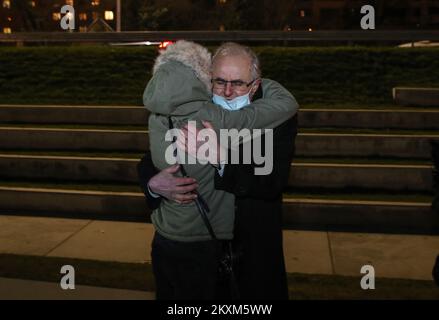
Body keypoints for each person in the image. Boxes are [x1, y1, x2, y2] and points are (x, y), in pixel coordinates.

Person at [142, 40, 298, 300]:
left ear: (256, 85)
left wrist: (223, 160)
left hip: (250, 252)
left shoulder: (276, 119)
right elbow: (150, 158)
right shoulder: (194, 107)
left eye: (237, 83)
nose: (227, 92)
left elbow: (272, 180)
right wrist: (153, 184)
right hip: (198, 252)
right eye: (219, 81)